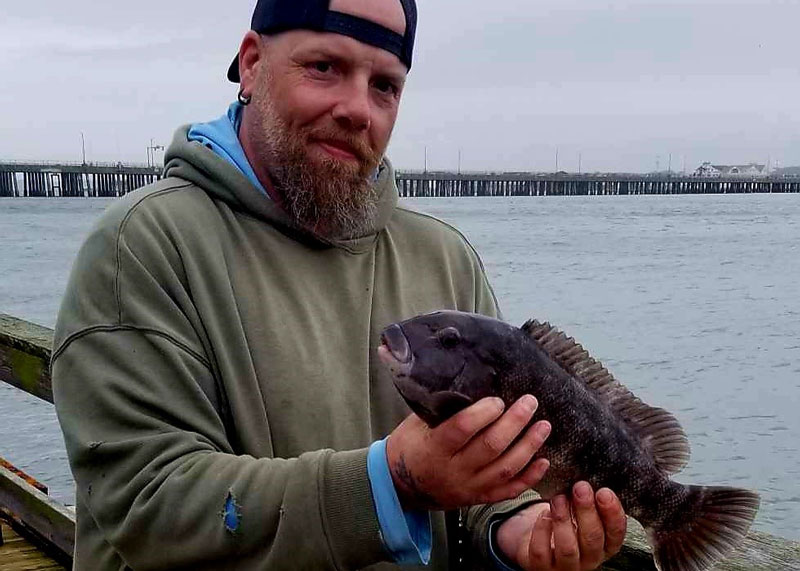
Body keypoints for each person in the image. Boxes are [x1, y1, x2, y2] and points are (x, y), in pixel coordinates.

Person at [52, 0, 627, 569]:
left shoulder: (445, 257)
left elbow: (483, 477)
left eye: (385, 86)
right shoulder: (141, 246)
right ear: (251, 64)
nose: (357, 109)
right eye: (324, 66)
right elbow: (148, 505)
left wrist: (513, 532)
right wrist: (391, 483)